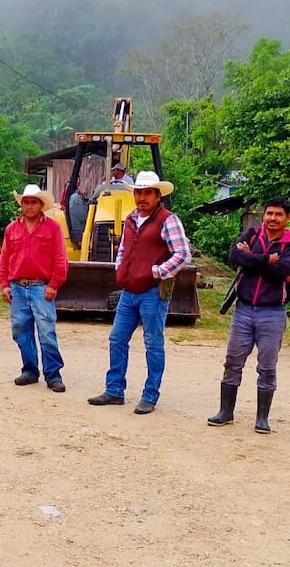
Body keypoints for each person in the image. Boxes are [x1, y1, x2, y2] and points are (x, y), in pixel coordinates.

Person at [87, 171, 190, 414]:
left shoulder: (168, 220)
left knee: (153, 343)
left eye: (147, 193)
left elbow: (183, 254)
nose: (141, 197)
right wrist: (120, 267)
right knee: (117, 339)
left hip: (152, 292)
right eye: (138, 192)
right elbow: (123, 247)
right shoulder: (132, 218)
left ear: (157, 195)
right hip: (129, 291)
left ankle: (150, 395)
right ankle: (114, 390)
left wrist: (157, 272)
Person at [208, 197, 290, 434]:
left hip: (273, 312)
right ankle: (226, 412)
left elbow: (281, 272)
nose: (272, 218)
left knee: (267, 366)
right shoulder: (251, 233)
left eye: (278, 214)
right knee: (232, 361)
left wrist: (251, 259)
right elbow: (234, 257)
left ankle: (262, 418)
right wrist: (264, 259)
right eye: (269, 213)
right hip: (244, 308)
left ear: (287, 218)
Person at [0, 184, 70, 392]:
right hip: (17, 287)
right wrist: (3, 284)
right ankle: (29, 370)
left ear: (41, 205)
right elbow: (4, 259)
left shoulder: (53, 228)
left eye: (33, 202)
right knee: (20, 331)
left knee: (47, 332)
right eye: (25, 202)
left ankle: (53, 374)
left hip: (42, 287)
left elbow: (60, 258)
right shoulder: (11, 229)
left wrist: (54, 284)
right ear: (22, 204)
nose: (29, 206)